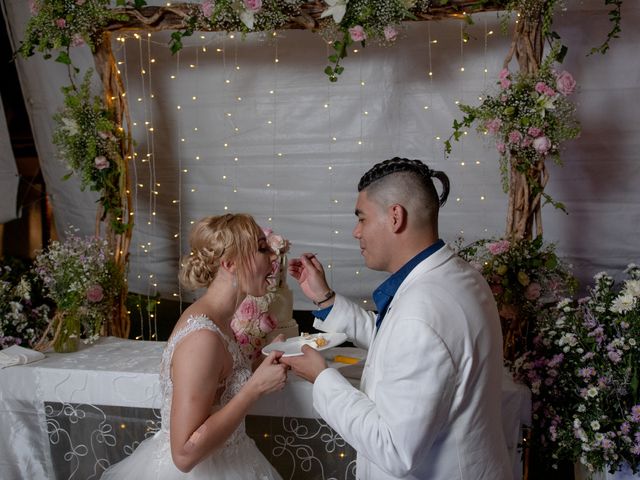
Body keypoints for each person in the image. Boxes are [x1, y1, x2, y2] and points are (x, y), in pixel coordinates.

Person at [282, 158, 511, 480]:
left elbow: (395, 449)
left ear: (395, 216)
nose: (356, 231)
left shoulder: (422, 312)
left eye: (361, 218)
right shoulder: (459, 276)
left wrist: (322, 379)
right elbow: (400, 344)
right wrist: (325, 300)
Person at [102, 213, 287, 479]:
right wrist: (255, 388)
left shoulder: (220, 321)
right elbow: (184, 455)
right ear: (229, 263)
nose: (273, 256)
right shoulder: (203, 338)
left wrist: (264, 363)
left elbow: (221, 388)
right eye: (261, 248)